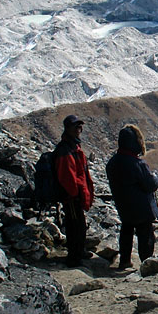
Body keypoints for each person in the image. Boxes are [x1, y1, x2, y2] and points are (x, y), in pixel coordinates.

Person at [106, 124, 158, 269]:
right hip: (141, 207)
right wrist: (156, 178)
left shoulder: (113, 162)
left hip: (123, 205)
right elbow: (150, 184)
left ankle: (125, 260)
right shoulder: (137, 163)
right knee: (145, 236)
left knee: (126, 231)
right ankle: (146, 263)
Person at [55, 114, 95, 267]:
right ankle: (74, 257)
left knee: (79, 223)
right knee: (74, 225)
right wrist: (75, 194)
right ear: (68, 129)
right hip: (71, 197)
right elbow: (67, 176)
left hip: (77, 194)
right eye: (75, 126)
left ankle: (79, 251)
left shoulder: (73, 147)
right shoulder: (65, 150)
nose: (79, 129)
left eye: (80, 126)